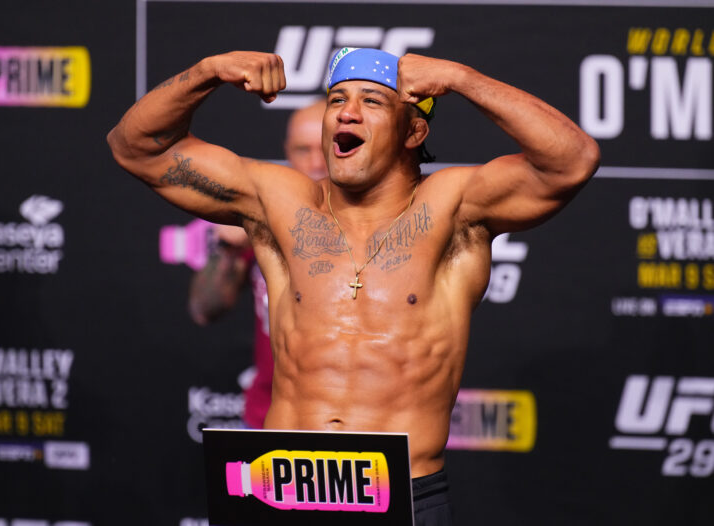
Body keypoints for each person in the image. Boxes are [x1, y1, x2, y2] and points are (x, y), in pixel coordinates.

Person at [108, 48, 599, 524]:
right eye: (338, 99)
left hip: (395, 492)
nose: (347, 113)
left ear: (414, 131)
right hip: (278, 485)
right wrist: (207, 70)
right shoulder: (281, 205)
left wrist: (460, 78)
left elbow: (570, 161)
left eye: (371, 101)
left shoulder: (454, 208)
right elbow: (136, 146)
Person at [188, 101, 327, 429]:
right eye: (303, 150)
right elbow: (203, 309)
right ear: (287, 153)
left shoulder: (375, 219)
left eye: (325, 147)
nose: (317, 162)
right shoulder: (265, 214)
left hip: (355, 425)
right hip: (268, 419)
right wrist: (227, 248)